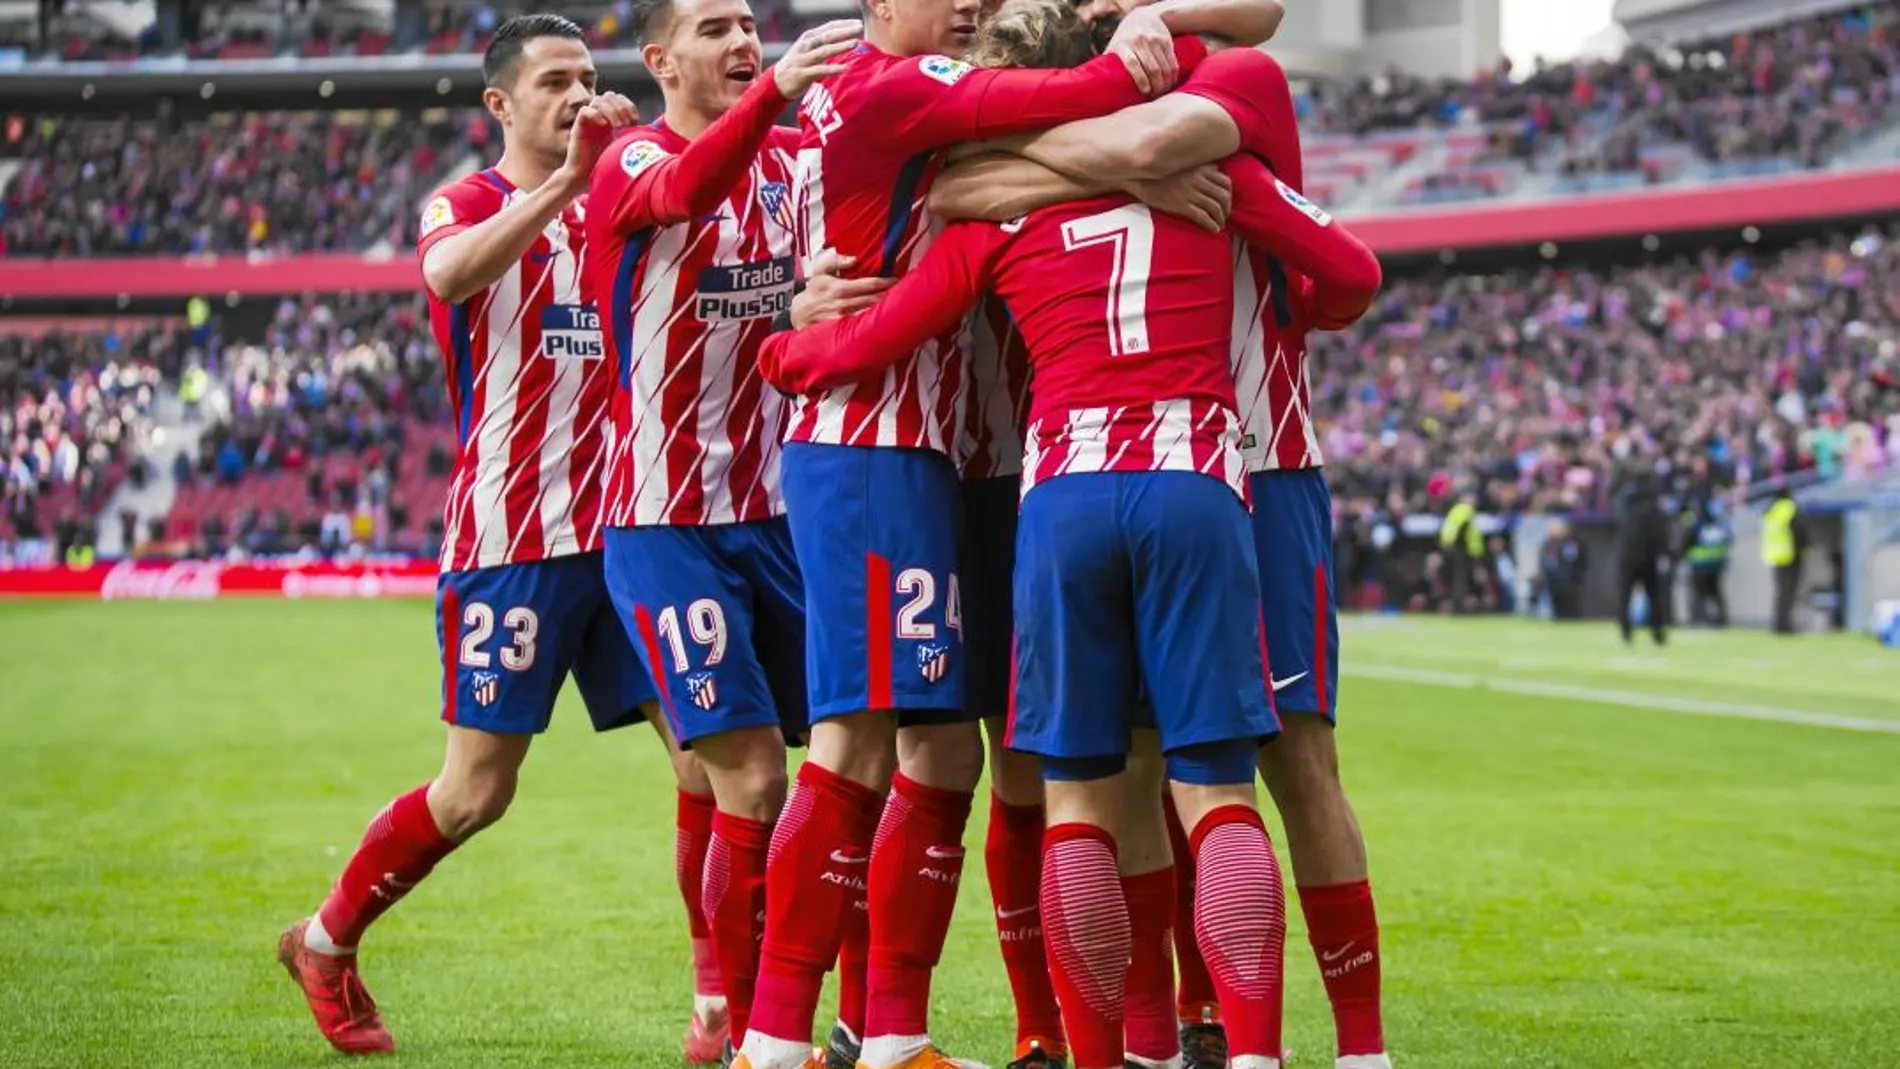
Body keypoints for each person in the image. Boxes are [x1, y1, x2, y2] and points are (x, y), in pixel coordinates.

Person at [757, 8, 1380, 1064]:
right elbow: (1350, 276)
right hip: (1204, 473)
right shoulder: (1215, 182)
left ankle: (1109, 1044)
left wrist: (787, 350)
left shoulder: (1011, 199)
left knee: (1083, 786)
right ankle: (1261, 1046)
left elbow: (920, 256)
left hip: (1063, 490)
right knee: (1211, 777)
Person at [929, 21, 1392, 1069]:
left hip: (1247, 461)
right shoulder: (1084, 112)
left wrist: (1035, 161)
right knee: (1155, 768)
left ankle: (1354, 1051)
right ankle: (1156, 1044)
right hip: (1196, 472)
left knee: (1288, 759)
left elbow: (966, 189)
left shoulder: (1231, 82)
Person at [275, 15, 694, 1057]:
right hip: (512, 539)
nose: (576, 95)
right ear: (501, 106)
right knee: (476, 792)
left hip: (634, 531)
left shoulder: (619, 196)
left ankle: (722, 1014)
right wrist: (565, 183)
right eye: (553, 81)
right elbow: (449, 276)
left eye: (588, 78)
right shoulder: (466, 201)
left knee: (714, 764)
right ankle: (325, 939)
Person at [585, 1, 861, 1060]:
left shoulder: (794, 163)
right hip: (663, 523)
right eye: (713, 27)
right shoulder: (630, 158)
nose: (742, 38)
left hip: (780, 518)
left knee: (852, 770)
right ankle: (750, 1033)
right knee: (749, 773)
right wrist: (777, 93)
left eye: (748, 21)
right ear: (660, 60)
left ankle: (862, 1024)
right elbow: (688, 189)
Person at [1615, 472, 1672, 646]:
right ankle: (1657, 632)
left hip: (1627, 557)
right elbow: (1660, 534)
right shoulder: (1654, 507)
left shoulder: (1625, 505)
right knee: (1654, 596)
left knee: (1625, 596)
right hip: (1649, 557)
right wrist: (1665, 554)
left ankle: (1626, 631)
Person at [1682, 497, 1731, 627]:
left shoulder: (1697, 524)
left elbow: (1688, 541)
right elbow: (1728, 540)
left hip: (1700, 564)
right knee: (1715, 592)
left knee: (1699, 593)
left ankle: (1699, 618)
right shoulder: (1719, 525)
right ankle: (1721, 618)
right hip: (1717, 564)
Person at [1763, 489, 1804, 634]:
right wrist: (1804, 547)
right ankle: (1786, 624)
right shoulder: (1790, 508)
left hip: (1775, 555)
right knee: (1789, 591)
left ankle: (1779, 623)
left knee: (1780, 592)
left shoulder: (1770, 511)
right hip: (1790, 554)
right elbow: (1799, 531)